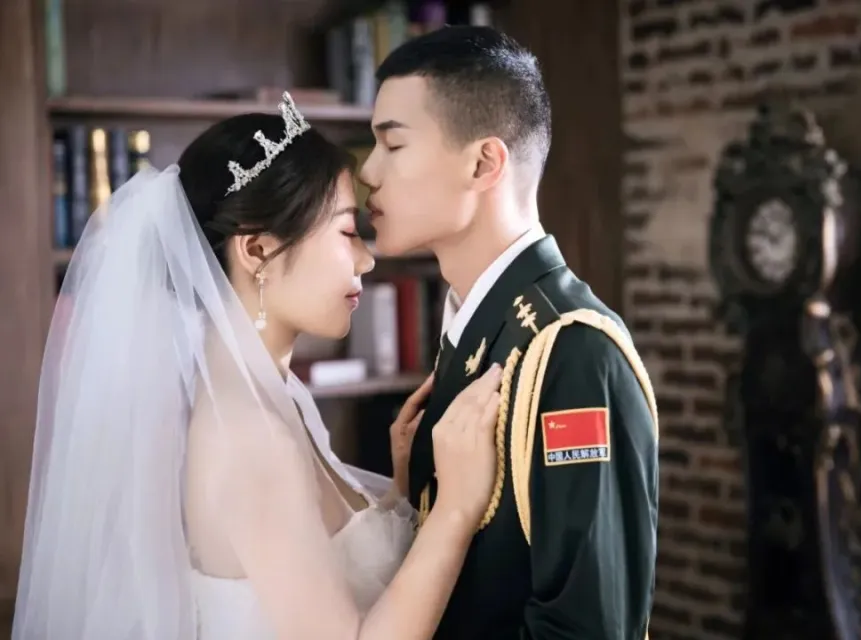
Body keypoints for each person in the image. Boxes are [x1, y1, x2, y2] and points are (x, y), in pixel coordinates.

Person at [12, 93, 503, 640]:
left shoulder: (271, 392)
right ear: (257, 251)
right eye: (347, 232)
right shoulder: (248, 435)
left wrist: (400, 492)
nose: (366, 259)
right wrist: (456, 509)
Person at [359, 26, 660, 639]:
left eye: (393, 144)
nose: (368, 170)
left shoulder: (573, 348)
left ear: (483, 163)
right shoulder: (476, 326)